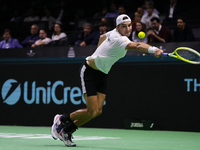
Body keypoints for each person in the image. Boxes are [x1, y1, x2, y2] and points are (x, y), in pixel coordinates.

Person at [51, 14, 163, 147]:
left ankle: (67, 131)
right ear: (118, 27)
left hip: (103, 73)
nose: (127, 29)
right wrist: (154, 49)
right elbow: (138, 45)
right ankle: (61, 119)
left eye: (129, 26)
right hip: (90, 73)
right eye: (124, 27)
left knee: (97, 111)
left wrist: (98, 54)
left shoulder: (112, 33)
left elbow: (102, 37)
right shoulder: (119, 39)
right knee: (92, 110)